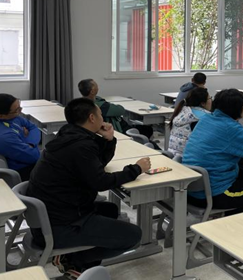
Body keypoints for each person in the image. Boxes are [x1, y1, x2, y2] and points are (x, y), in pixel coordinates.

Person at [28, 98, 151, 279]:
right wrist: (136, 169)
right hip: (60, 225)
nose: (103, 118)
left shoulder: (68, 135)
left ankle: (81, 264)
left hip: (53, 214)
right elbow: (101, 182)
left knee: (110, 209)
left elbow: (96, 164)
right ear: (92, 118)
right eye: (100, 114)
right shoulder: (80, 146)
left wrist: (108, 139)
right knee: (133, 236)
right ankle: (73, 260)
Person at [77, 79, 159, 150]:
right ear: (92, 91)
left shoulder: (83, 103)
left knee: (145, 130)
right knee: (148, 132)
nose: (98, 87)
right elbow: (120, 110)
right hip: (120, 129)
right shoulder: (100, 106)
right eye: (96, 85)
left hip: (118, 127)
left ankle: (144, 143)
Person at [0, 94, 41, 181]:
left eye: (19, 107)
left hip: (21, 153)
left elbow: (33, 127)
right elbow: (35, 157)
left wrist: (30, 143)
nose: (20, 111)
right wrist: (26, 139)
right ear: (1, 116)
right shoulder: (3, 138)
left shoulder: (2, 117)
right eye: (17, 110)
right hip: (21, 169)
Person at [168, 87, 212, 158]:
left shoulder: (182, 111)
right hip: (188, 159)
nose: (211, 100)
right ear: (203, 103)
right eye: (210, 98)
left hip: (172, 156)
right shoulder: (203, 117)